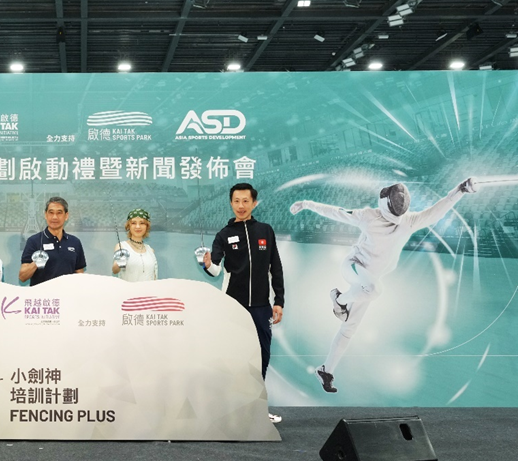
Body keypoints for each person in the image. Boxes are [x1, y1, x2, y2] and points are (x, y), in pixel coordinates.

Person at [290, 177, 478, 394]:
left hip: (368, 281)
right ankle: (338, 299)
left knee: (349, 328)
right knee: (375, 289)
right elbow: (337, 212)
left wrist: (460, 189)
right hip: (353, 267)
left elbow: (438, 210)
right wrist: (306, 204)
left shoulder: (407, 221)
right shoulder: (369, 217)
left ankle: (326, 370)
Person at [201, 183, 284, 424]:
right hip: (232, 307)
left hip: (261, 306)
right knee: (232, 356)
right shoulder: (223, 235)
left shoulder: (265, 231)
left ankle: (256, 408)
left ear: (254, 203)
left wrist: (278, 300)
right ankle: (229, 406)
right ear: (231, 203)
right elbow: (216, 270)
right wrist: (207, 264)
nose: (241, 205)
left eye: (245, 201)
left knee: (262, 356)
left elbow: (275, 267)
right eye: (236, 201)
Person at [19, 197, 86, 286]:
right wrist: (37, 262)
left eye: (59, 213)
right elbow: (22, 277)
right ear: (45, 215)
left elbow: (79, 274)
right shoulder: (34, 241)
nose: (54, 217)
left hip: (67, 296)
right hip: (43, 297)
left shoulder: (75, 242)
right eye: (51, 213)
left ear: (66, 216)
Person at [112, 208, 158, 281]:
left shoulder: (150, 250)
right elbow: (115, 270)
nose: (138, 227)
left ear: (147, 226)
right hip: (129, 291)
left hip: (149, 292)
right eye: (133, 223)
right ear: (128, 226)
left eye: (142, 223)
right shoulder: (122, 246)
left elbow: (154, 277)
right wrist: (120, 261)